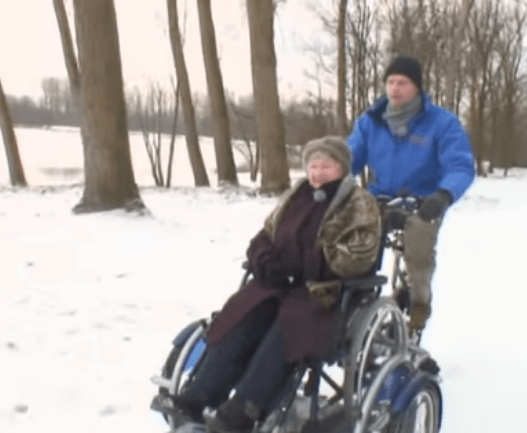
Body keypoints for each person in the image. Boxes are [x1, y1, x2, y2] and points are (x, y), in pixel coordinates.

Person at [164, 136, 383, 433]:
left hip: (324, 293)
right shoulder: (296, 195)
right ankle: (197, 396)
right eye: (313, 166)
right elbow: (263, 238)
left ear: (342, 168)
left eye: (326, 166)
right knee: (242, 319)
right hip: (278, 285)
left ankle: (244, 410)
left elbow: (359, 254)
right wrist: (266, 261)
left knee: (287, 328)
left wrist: (307, 264)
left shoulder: (360, 203)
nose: (317, 173)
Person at [347, 54, 475, 332]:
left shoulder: (441, 123)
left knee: (418, 247)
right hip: (378, 198)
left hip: (422, 201)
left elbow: (461, 165)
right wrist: (331, 176)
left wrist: (443, 195)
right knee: (350, 238)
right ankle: (352, 299)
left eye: (402, 82)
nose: (394, 88)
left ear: (417, 87)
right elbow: (348, 158)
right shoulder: (370, 121)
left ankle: (418, 303)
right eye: (390, 82)